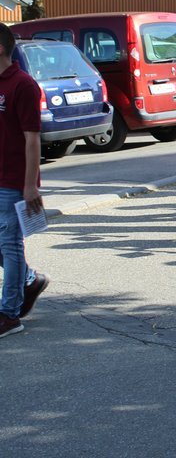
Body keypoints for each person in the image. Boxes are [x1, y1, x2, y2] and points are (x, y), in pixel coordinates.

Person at [0, 24, 50, 338]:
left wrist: (30, 185)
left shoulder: (23, 85)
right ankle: (29, 280)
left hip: (14, 180)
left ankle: (9, 315)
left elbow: (33, 139)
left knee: (9, 242)